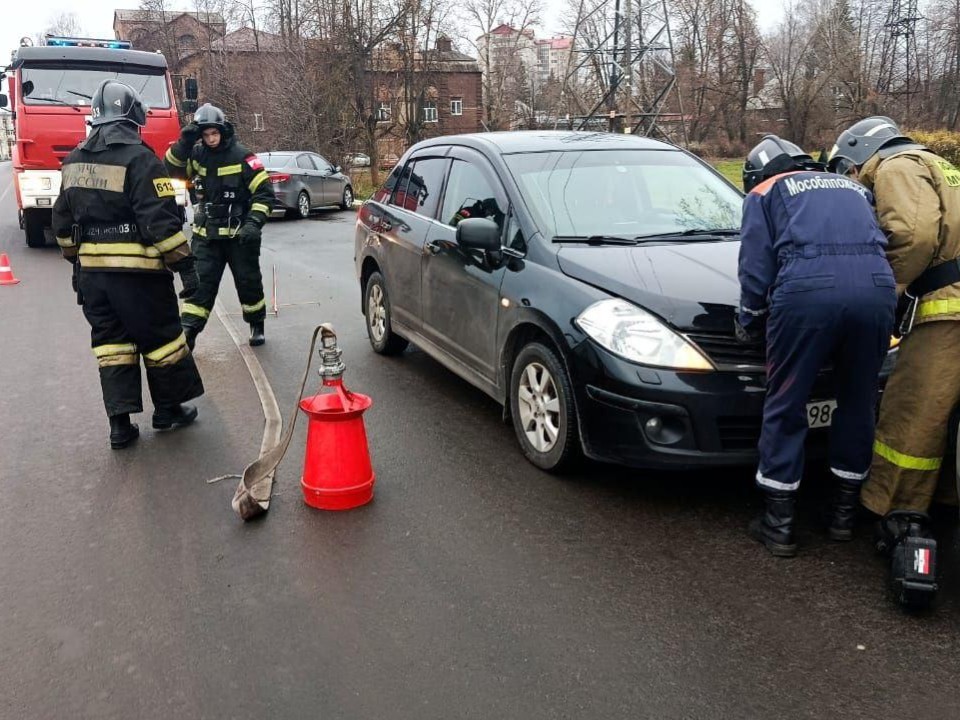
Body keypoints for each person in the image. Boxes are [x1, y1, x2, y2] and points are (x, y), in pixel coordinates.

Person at [738, 135, 896, 557]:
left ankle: (779, 525)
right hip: (877, 290)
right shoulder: (853, 187)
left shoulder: (765, 191)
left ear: (758, 172)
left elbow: (756, 268)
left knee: (786, 401)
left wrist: (750, 321)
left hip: (808, 292)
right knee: (859, 401)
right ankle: (843, 516)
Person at [828, 117, 960, 541]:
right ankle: (946, 496)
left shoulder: (897, 166)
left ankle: (892, 504)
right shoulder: (940, 165)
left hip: (946, 309)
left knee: (914, 412)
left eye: (850, 171)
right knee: (950, 413)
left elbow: (913, 235)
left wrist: (889, 287)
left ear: (860, 154)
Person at [53, 80, 204, 449]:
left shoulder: (73, 161)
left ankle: (119, 426)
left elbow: (61, 223)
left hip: (93, 280)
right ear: (134, 118)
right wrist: (186, 267)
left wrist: (78, 260)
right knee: (162, 342)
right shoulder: (141, 160)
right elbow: (162, 221)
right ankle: (167, 412)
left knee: (111, 346)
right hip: (141, 279)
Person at [165, 103, 275, 348]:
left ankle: (256, 324)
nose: (211, 138)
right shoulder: (196, 155)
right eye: (205, 135)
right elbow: (170, 169)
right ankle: (189, 331)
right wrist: (184, 143)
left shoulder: (243, 156)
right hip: (207, 236)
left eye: (214, 133)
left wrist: (254, 224)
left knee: (248, 282)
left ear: (223, 131)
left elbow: (264, 194)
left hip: (240, 236)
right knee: (200, 285)